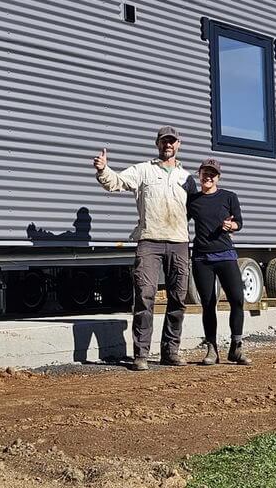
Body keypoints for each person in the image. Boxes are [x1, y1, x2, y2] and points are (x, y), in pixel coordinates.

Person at [93, 126, 195, 371]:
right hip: (149, 241)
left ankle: (171, 352)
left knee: (178, 298)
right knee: (145, 296)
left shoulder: (187, 178)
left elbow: (195, 209)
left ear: (178, 144)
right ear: (157, 144)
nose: (168, 145)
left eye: (172, 141)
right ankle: (141, 354)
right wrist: (103, 170)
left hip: (179, 242)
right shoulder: (143, 170)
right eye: (164, 141)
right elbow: (116, 182)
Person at [187, 158, 251, 366]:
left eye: (212, 174)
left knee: (237, 300)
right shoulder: (192, 200)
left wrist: (232, 226)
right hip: (202, 258)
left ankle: (236, 347)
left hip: (226, 255)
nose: (208, 177)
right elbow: (180, 221)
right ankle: (211, 349)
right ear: (199, 175)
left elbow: (239, 222)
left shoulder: (229, 197)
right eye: (205, 173)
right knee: (208, 304)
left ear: (218, 177)